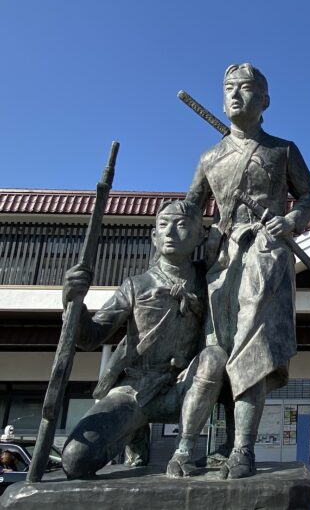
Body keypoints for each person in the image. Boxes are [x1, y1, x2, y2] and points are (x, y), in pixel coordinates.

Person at [180, 63, 310, 479]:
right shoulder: (210, 156)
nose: (236, 96)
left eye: (246, 89)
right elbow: (190, 208)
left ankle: (243, 449)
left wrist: (291, 221)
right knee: (216, 350)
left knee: (252, 349)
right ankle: (193, 447)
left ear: (265, 101)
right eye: (229, 89)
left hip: (265, 259)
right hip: (221, 263)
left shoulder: (282, 150)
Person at [60, 200, 226, 479]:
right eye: (163, 226)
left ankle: (183, 452)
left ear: (200, 236)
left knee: (214, 357)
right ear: (153, 237)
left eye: (182, 225)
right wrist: (73, 306)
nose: (171, 232)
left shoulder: (210, 280)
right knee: (75, 460)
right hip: (135, 388)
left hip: (186, 386)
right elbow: (91, 339)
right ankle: (134, 434)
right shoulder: (135, 286)